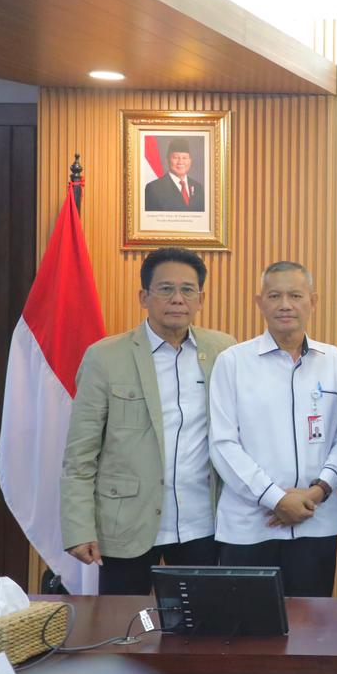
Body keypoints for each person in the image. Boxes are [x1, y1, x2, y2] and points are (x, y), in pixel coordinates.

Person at [61, 247, 236, 595]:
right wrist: (78, 527)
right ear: (144, 297)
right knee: (125, 622)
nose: (177, 299)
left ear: (201, 299)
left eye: (187, 290)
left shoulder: (223, 351)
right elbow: (80, 455)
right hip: (127, 523)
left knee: (201, 622)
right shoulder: (105, 357)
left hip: (204, 524)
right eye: (166, 289)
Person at [208, 262, 337, 597]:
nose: (285, 305)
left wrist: (317, 491)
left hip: (316, 520)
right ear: (260, 302)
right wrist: (275, 498)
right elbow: (223, 444)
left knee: (312, 623)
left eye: (295, 295)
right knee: (246, 624)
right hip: (249, 526)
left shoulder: (335, 361)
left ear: (313, 301)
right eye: (275, 296)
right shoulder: (233, 361)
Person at [144, 139, 205, 212]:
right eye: (175, 157)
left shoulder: (198, 188)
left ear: (190, 160)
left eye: (184, 158)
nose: (180, 162)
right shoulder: (153, 189)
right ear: (168, 159)